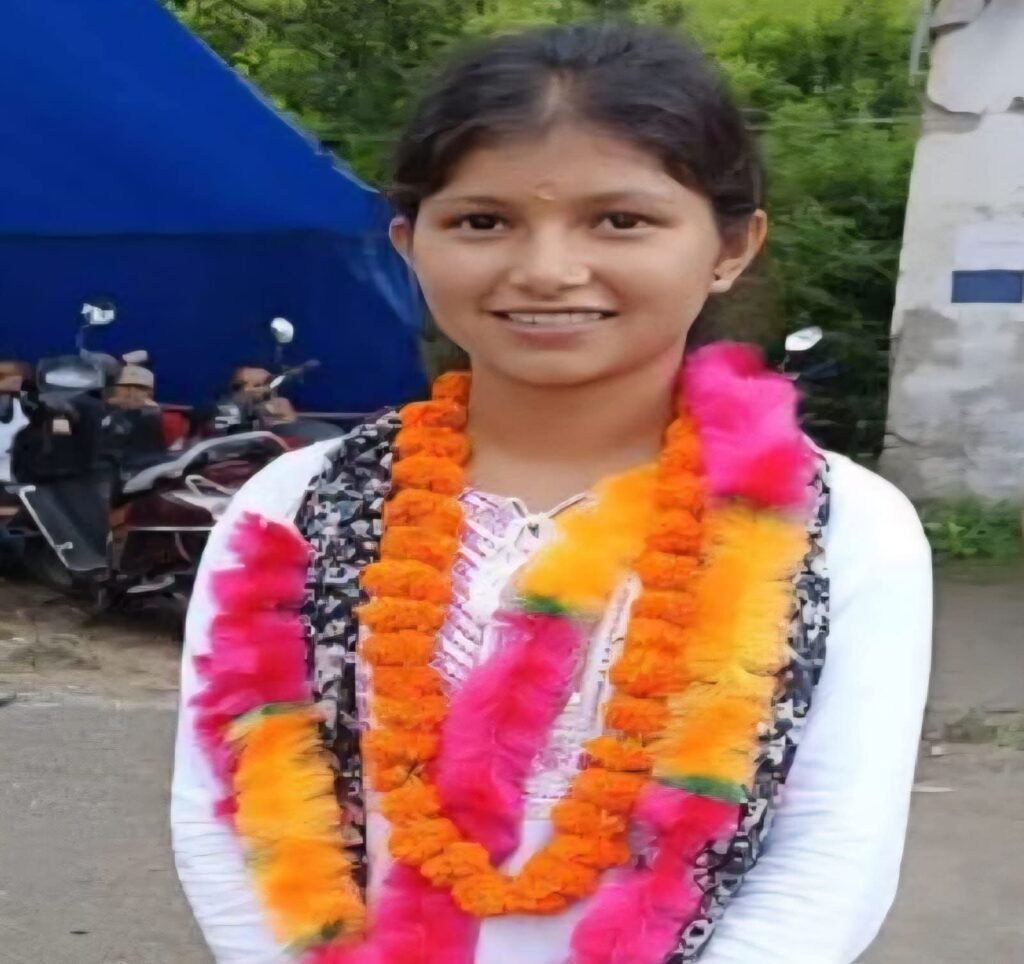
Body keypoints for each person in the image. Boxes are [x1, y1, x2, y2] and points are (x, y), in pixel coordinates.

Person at [171, 22, 932, 964]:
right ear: (410, 243)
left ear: (732, 246)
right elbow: (232, 806)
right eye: (482, 222)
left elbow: (830, 854)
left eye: (620, 220)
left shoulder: (842, 526)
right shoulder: (295, 504)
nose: (545, 271)